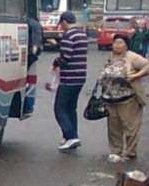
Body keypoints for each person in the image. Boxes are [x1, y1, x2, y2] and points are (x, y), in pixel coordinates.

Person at [96, 33, 149, 162]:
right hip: (110, 98)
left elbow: (147, 66)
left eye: (120, 42)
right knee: (113, 128)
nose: (117, 45)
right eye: (115, 42)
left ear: (126, 45)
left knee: (130, 127)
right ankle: (116, 151)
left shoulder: (132, 57)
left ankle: (130, 152)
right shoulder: (111, 56)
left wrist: (136, 76)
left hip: (128, 98)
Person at [52, 10, 88, 151]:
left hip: (69, 77)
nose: (61, 27)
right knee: (71, 109)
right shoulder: (82, 34)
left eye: (61, 24)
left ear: (65, 22)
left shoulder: (68, 35)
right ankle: (71, 137)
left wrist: (56, 62)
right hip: (80, 77)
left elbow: (65, 57)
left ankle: (71, 136)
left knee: (59, 108)